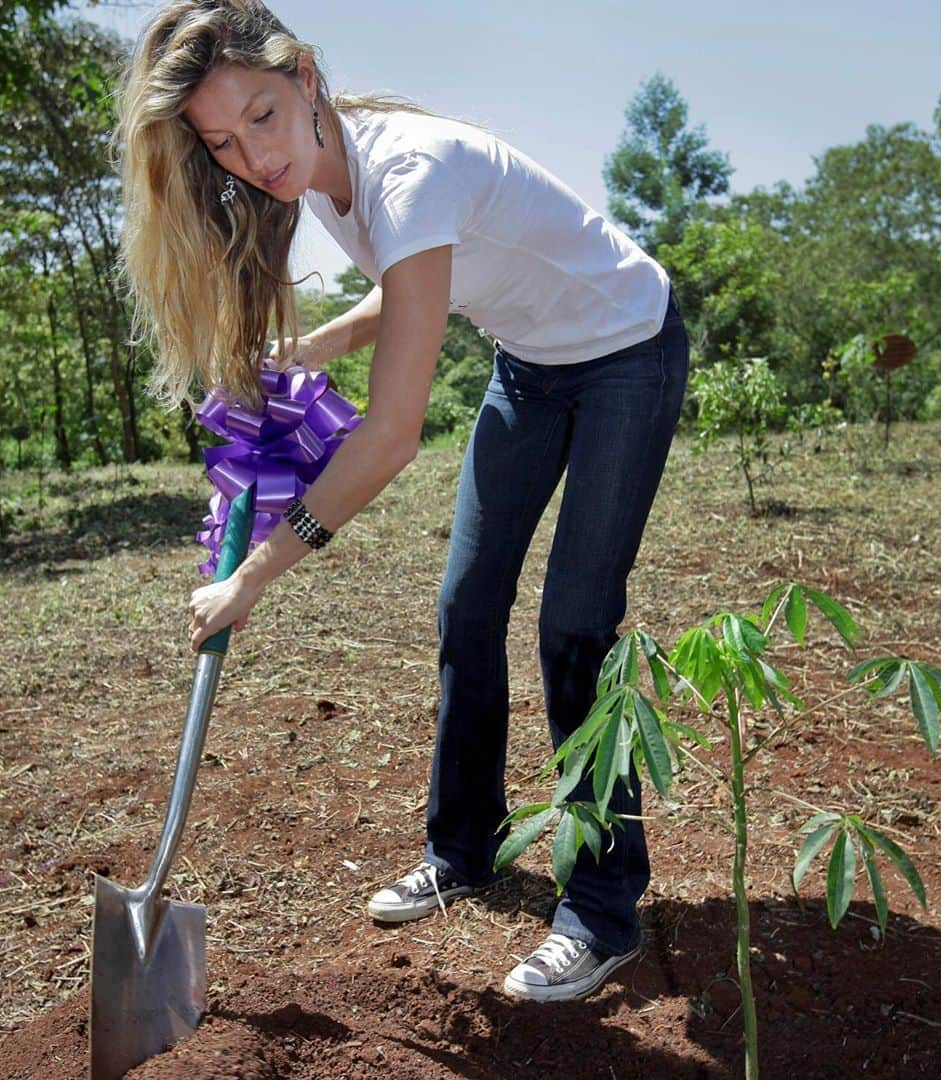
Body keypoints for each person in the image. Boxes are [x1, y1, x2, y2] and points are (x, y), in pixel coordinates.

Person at [119, 0, 689, 1003]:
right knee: (467, 605)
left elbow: (389, 438)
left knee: (574, 626)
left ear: (305, 78)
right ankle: (463, 847)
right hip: (532, 367)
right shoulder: (327, 176)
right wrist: (316, 345)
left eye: (260, 115)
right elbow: (416, 282)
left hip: (627, 353)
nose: (252, 155)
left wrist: (255, 575)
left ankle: (602, 910)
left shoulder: (403, 170)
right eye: (221, 141)